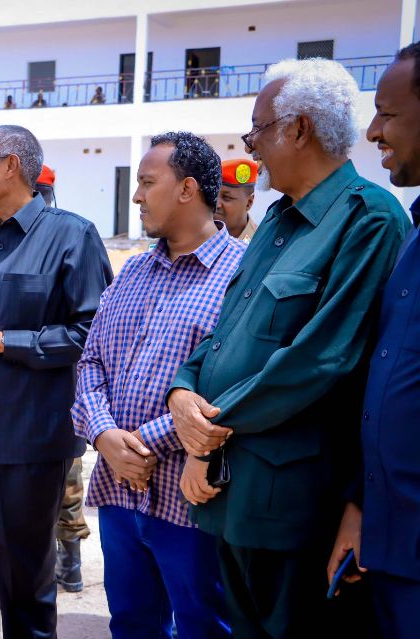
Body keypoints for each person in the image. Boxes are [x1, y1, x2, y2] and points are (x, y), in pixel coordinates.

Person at [167, 58, 411, 637]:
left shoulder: (369, 219)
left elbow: (322, 357)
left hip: (294, 509)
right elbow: (224, 332)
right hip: (233, 495)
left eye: (258, 128)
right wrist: (181, 391)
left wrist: (207, 428)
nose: (250, 144)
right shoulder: (276, 221)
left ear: (298, 129)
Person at [0, 125, 112, 637]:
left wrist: (3, 342)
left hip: (27, 449)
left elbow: (91, 334)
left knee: (26, 596)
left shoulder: (72, 236)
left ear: (10, 166)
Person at [73, 132, 241, 638]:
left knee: (203, 626)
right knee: (131, 623)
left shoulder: (242, 276)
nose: (136, 195)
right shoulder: (133, 271)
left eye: (147, 183)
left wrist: (142, 444)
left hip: (192, 499)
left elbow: (232, 385)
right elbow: (91, 362)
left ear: (187, 189)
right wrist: (104, 435)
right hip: (119, 491)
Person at [328, 42, 420, 639]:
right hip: (389, 541)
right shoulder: (414, 238)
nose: (373, 131)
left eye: (388, 113)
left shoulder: (381, 220)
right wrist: (360, 508)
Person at [33, 162, 90, 593]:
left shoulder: (72, 240)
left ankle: (70, 558)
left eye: (41, 193)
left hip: (63, 380)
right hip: (18, 383)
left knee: (68, 474)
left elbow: (89, 323)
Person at [214, 159, 259, 241]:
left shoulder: (259, 243)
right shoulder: (198, 236)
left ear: (248, 203)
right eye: (214, 195)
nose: (216, 204)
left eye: (226, 197)